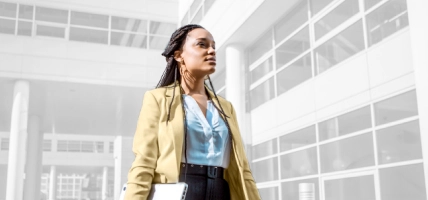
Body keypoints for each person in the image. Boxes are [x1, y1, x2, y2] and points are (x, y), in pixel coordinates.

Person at [125, 24, 261, 200]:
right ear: (178, 55)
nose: (211, 51)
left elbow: (243, 168)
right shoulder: (158, 99)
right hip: (179, 190)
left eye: (213, 46)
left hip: (221, 190)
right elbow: (144, 161)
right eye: (202, 45)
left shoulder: (225, 107)